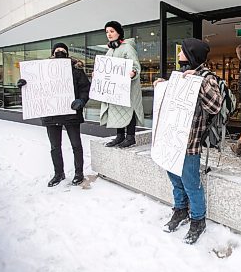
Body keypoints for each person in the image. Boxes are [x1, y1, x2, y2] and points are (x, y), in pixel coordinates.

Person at [153, 38, 223, 245]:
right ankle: (180, 210)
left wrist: (198, 82)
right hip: (171, 140)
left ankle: (198, 220)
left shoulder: (206, 78)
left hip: (189, 142)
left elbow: (216, 106)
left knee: (191, 183)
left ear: (192, 54)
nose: (179, 55)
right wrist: (162, 86)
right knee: (175, 181)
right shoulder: (181, 75)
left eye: (182, 51)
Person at [17, 43, 91, 187]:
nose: (60, 52)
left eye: (63, 50)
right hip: (51, 114)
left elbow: (85, 88)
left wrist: (81, 100)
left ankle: (78, 173)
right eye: (57, 50)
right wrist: (24, 84)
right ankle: (59, 173)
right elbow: (35, 86)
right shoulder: (42, 71)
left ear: (67, 53)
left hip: (71, 113)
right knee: (55, 146)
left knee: (76, 145)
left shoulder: (75, 70)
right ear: (52, 53)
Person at [101, 21, 145, 148]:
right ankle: (119, 136)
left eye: (112, 31)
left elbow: (136, 65)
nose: (109, 34)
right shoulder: (110, 51)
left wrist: (133, 73)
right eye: (107, 32)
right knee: (116, 110)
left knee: (129, 109)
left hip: (128, 87)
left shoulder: (127, 48)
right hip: (115, 89)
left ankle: (130, 137)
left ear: (119, 32)